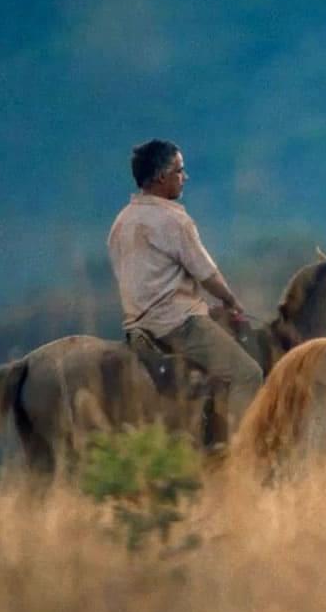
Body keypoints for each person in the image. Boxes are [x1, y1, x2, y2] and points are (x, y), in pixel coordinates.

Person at [107, 139, 263, 436]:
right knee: (247, 374)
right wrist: (231, 301)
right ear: (161, 177)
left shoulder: (121, 222)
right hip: (178, 324)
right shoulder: (173, 219)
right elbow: (206, 274)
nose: (185, 177)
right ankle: (244, 454)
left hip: (137, 328)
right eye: (180, 170)